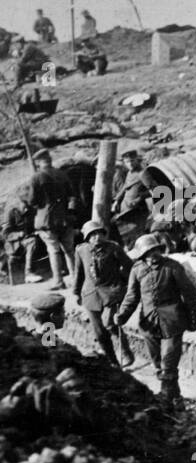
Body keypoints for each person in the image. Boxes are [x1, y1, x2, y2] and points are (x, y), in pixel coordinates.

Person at [114, 232, 196, 412]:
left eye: (155, 251)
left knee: (168, 363)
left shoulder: (172, 267)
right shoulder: (137, 270)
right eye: (148, 252)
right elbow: (132, 296)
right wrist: (122, 315)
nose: (153, 255)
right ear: (142, 256)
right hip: (149, 323)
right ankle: (176, 399)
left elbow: (190, 293)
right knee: (158, 364)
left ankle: (165, 400)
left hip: (173, 321)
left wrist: (194, 319)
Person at [72, 219, 134, 367]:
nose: (97, 238)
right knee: (99, 332)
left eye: (99, 234)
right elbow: (79, 272)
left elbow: (129, 267)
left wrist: (125, 284)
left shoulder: (113, 248)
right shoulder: (81, 250)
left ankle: (125, 352)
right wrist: (75, 292)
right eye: (92, 235)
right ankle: (113, 362)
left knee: (110, 324)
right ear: (87, 238)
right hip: (91, 295)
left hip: (112, 292)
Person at [22, 150, 75, 288]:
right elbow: (72, 196)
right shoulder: (62, 174)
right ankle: (76, 279)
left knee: (53, 250)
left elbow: (32, 201)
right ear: (50, 159)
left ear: (38, 162)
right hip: (65, 219)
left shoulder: (36, 177)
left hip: (46, 220)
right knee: (69, 250)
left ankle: (58, 281)